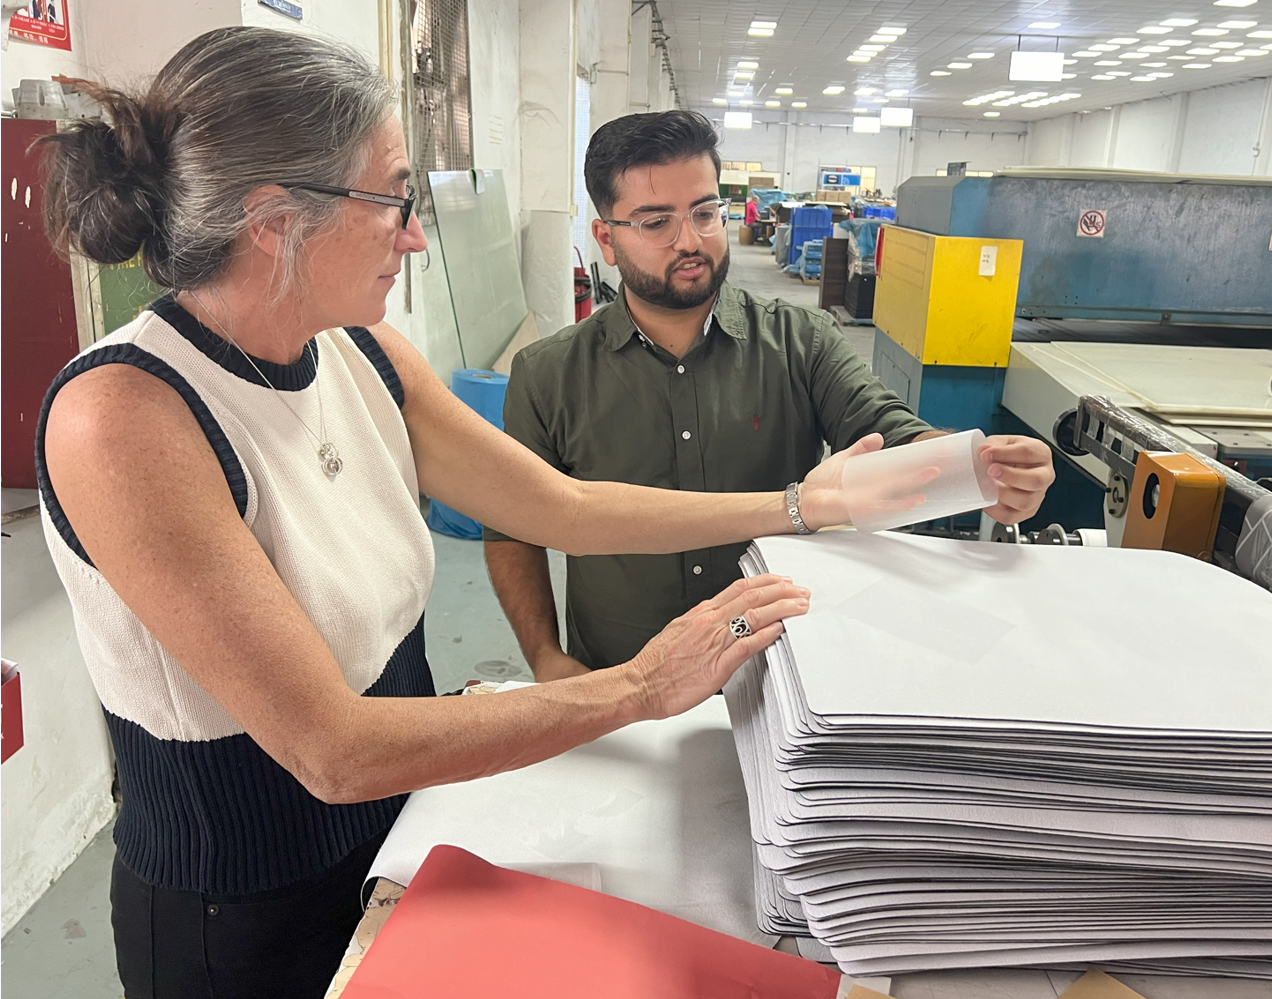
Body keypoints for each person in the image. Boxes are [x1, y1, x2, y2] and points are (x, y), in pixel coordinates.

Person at [35, 29, 913, 999]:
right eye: (394, 197)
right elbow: (330, 750)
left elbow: (562, 508)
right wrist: (637, 688)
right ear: (275, 220)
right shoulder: (123, 417)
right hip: (241, 906)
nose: (413, 235)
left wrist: (799, 502)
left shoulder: (361, 355)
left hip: (405, 819)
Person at [483, 110, 1056, 682]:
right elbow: (513, 530)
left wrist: (977, 474)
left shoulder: (801, 343)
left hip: (778, 676)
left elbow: (887, 430)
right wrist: (545, 656)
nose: (691, 240)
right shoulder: (548, 374)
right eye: (656, 222)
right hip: (616, 677)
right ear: (606, 239)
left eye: (705, 212)